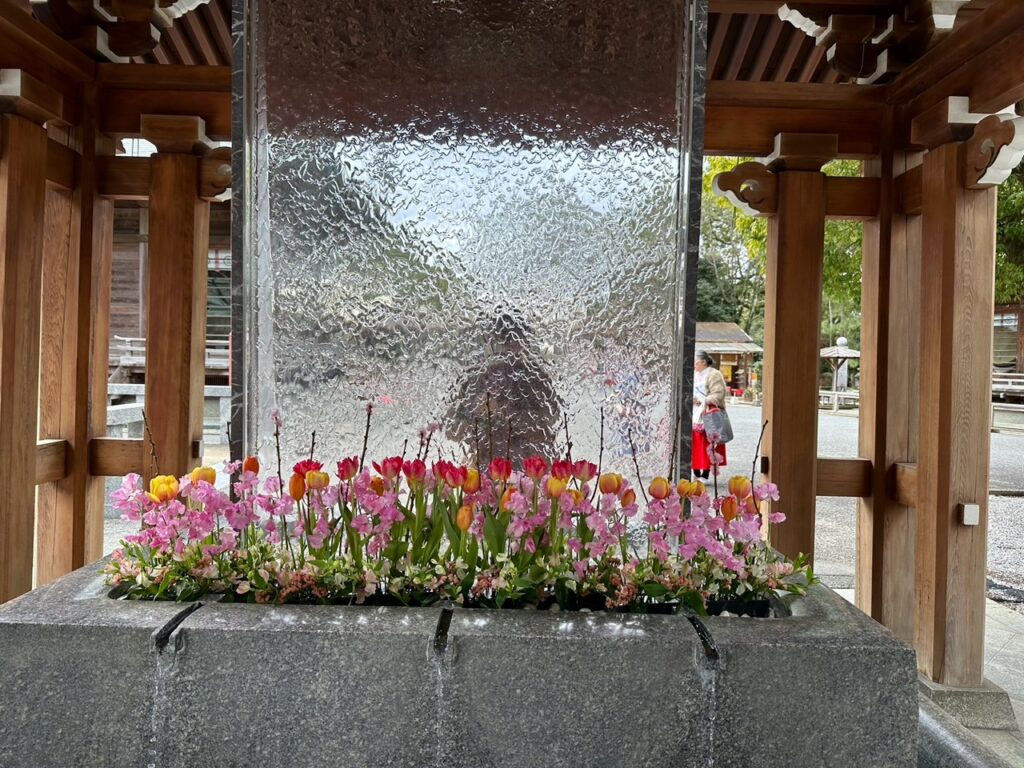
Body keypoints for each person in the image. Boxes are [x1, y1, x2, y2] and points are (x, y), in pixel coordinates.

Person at [692, 350, 727, 480]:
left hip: (707, 411)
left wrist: (702, 400)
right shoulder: (694, 374)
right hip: (694, 410)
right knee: (694, 442)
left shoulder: (714, 374)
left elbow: (718, 394)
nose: (694, 365)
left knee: (707, 442)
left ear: (703, 362)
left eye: (696, 362)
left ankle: (705, 471)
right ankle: (695, 469)